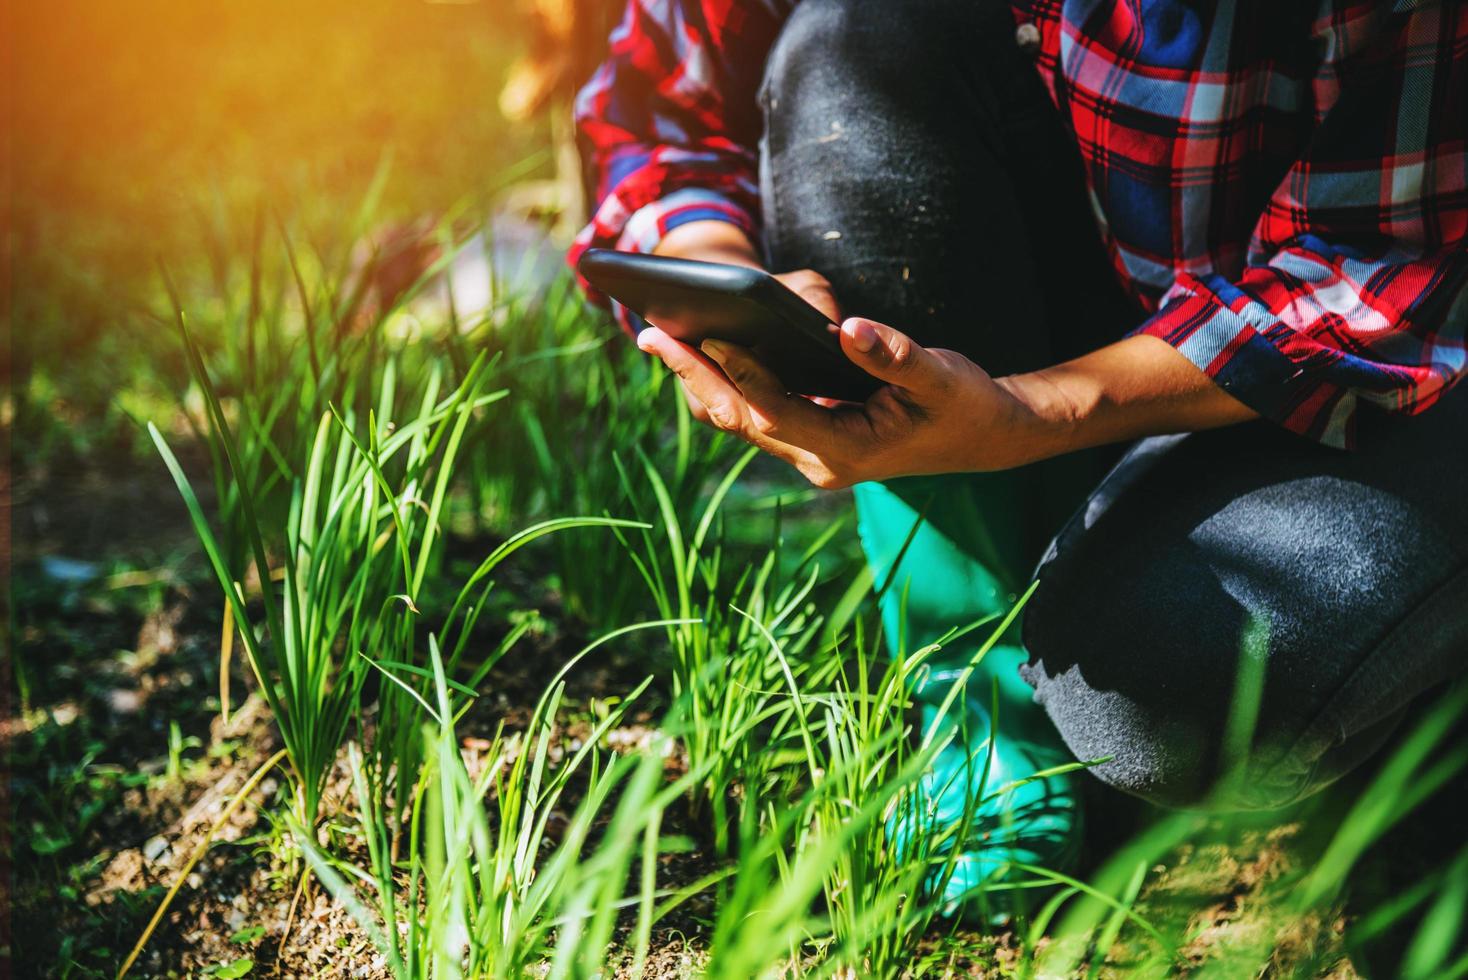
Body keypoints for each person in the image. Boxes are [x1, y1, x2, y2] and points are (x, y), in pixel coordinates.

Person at [568, 0, 1468, 910]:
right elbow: (658, 102)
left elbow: (1384, 264)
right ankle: (989, 726)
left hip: (1408, 376)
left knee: (1171, 707)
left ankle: (1406, 697)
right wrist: (725, 280)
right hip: (1109, 308)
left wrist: (1034, 414)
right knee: (856, 42)